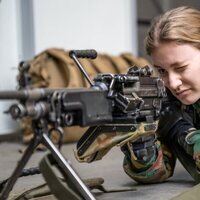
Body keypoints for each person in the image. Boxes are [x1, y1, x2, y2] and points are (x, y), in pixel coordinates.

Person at [121, 6, 200, 183]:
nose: (172, 83)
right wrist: (142, 139)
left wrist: (180, 131)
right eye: (162, 71)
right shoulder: (168, 100)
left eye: (181, 68)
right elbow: (156, 172)